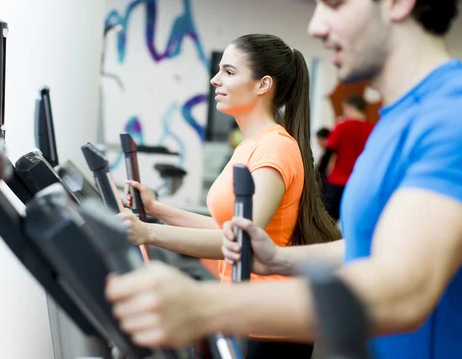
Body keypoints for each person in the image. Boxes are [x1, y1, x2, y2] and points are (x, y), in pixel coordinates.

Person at [104, 0, 462, 359]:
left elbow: (403, 293)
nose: (314, 26)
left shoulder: (454, 120)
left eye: (333, 2)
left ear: (398, 0)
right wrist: (279, 258)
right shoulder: (393, 123)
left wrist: (202, 305)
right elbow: (362, 250)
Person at [120, 33, 341, 358]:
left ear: (263, 85)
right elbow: (225, 227)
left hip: (270, 321)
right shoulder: (251, 144)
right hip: (244, 309)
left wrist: (149, 232)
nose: (215, 80)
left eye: (229, 71)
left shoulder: (274, 148)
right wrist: (157, 210)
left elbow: (241, 242)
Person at [319, 95, 373, 219]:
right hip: (359, 184)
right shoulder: (372, 129)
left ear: (350, 107)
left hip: (337, 182)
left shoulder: (342, 126)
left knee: (328, 221)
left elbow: (328, 153)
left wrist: (319, 177)